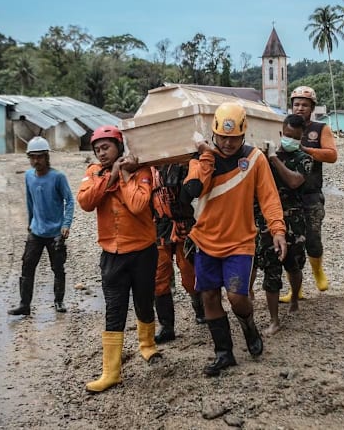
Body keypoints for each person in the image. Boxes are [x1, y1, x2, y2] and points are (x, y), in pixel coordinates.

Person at [182, 102, 287, 377]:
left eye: (234, 138)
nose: (228, 143)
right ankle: (223, 352)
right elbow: (193, 188)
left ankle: (248, 325)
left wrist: (277, 229)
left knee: (237, 296)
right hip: (205, 240)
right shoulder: (202, 159)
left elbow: (269, 197)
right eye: (223, 137)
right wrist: (205, 155)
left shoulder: (254, 159)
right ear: (214, 133)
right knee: (209, 295)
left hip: (240, 242)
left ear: (244, 134)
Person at [78, 125, 160, 393]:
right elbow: (86, 202)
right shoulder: (93, 173)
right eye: (98, 149)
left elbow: (138, 205)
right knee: (114, 310)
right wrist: (109, 178)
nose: (102, 153)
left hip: (143, 251)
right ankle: (111, 372)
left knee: (144, 301)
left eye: (106, 147)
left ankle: (147, 346)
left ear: (119, 147)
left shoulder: (142, 171)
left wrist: (123, 176)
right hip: (112, 254)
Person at [278, 86, 338, 302]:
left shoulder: (320, 129)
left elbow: (332, 155)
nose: (300, 108)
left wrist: (303, 149)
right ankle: (296, 289)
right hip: (287, 196)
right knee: (291, 243)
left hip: (311, 193)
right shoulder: (285, 126)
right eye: (296, 104)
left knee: (313, 239)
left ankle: (318, 271)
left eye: (304, 104)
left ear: (312, 107)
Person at [255, 114, 312, 335]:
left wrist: (274, 159)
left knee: (294, 265)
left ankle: (295, 298)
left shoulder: (304, 158)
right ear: (281, 132)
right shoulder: (263, 155)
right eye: (287, 135)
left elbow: (294, 181)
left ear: (301, 137)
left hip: (293, 221)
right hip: (267, 220)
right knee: (271, 268)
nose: (290, 140)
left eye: (295, 137)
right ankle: (274, 320)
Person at [7, 136, 74, 316]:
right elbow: (30, 201)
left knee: (58, 267)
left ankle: (59, 301)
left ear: (46, 157)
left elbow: (70, 201)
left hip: (55, 233)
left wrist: (66, 224)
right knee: (27, 266)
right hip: (36, 231)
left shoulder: (58, 177)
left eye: (40, 157)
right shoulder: (29, 176)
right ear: (29, 158)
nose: (36, 161)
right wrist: (30, 223)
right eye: (33, 157)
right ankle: (24, 304)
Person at [150, 163, 203, 344]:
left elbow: (193, 193)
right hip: (159, 227)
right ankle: (167, 327)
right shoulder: (146, 170)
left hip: (184, 225)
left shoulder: (185, 164)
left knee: (190, 274)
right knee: (159, 278)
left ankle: (200, 309)